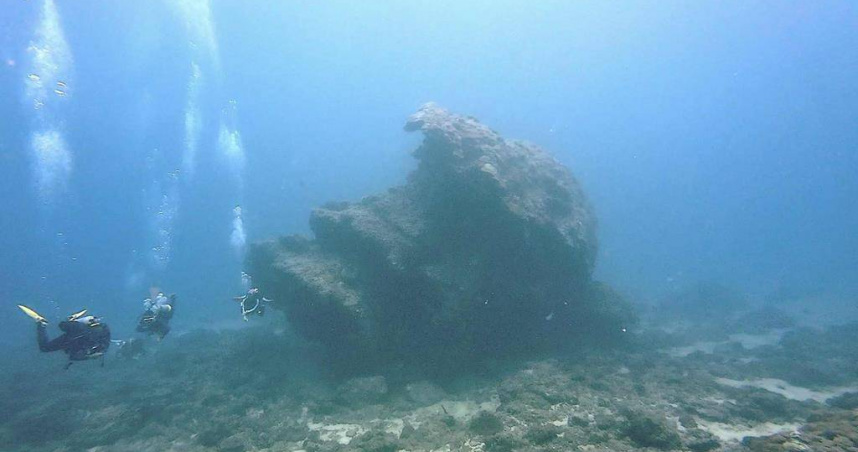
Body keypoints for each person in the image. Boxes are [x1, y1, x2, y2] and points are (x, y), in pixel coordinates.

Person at [18, 305, 111, 365]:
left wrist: (70, 321)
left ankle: (41, 323)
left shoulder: (79, 327)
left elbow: (62, 325)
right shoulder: (103, 329)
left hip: (70, 341)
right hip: (77, 345)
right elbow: (105, 344)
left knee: (44, 347)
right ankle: (41, 323)